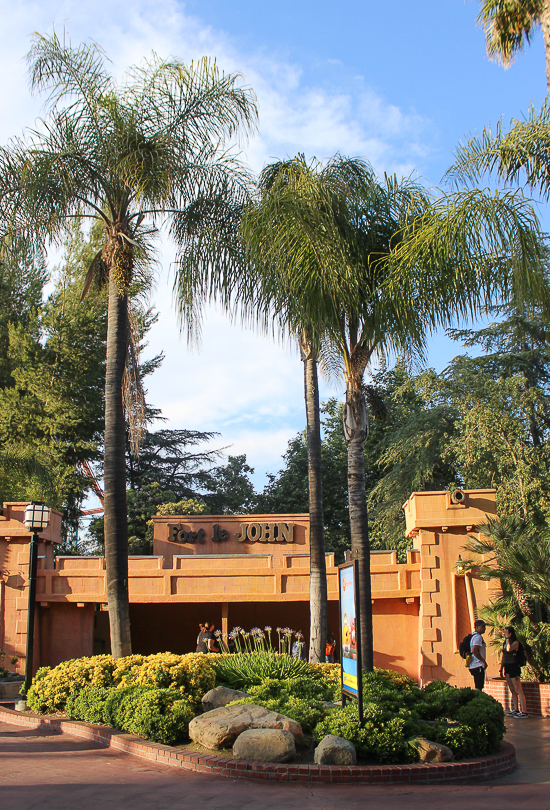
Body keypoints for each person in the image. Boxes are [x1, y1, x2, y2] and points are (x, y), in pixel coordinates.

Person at [500, 626, 528, 718]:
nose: (504, 634)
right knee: (512, 690)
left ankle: (524, 711)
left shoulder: (515, 643)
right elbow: (504, 655)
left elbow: (508, 649)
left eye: (506, 632)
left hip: (514, 667)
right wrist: (501, 667)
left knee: (518, 690)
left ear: (511, 634)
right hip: (507, 667)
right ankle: (515, 709)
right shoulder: (505, 642)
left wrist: (508, 638)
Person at [469, 619, 488, 690]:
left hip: (473, 665)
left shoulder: (473, 636)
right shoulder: (478, 637)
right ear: (477, 627)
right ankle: (478, 700)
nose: (484, 628)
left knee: (478, 686)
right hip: (478, 665)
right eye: (483, 626)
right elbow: (475, 650)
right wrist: (483, 661)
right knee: (479, 688)